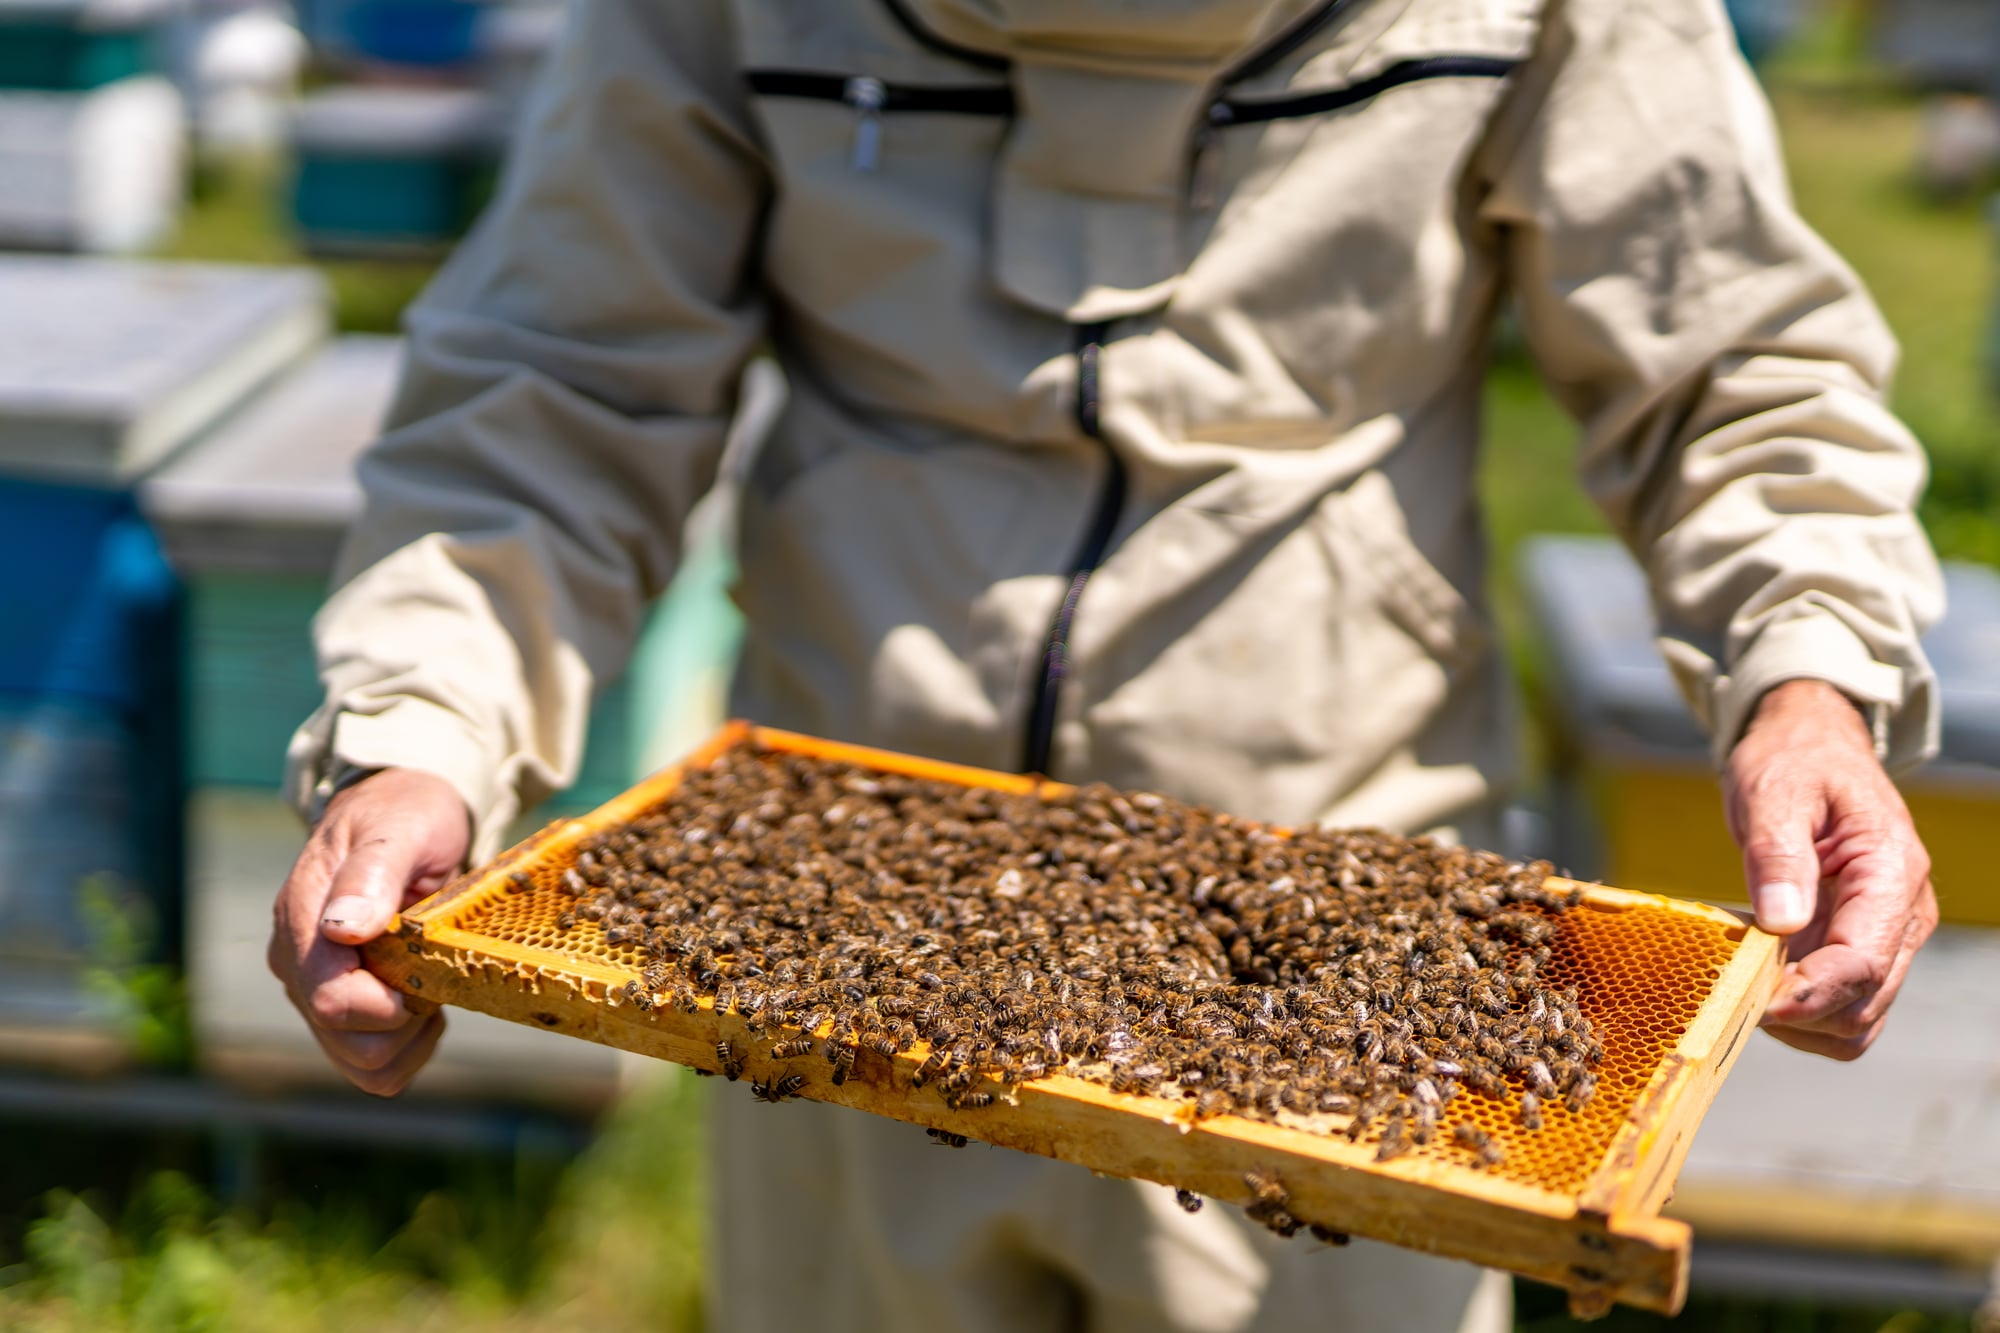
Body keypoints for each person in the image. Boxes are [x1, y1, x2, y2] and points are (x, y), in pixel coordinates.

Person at [268, 1, 1944, 1329]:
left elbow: (1731, 362)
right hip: (834, 929)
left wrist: (1808, 668)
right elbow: (563, 375)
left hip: (1346, 932)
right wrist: (426, 719)